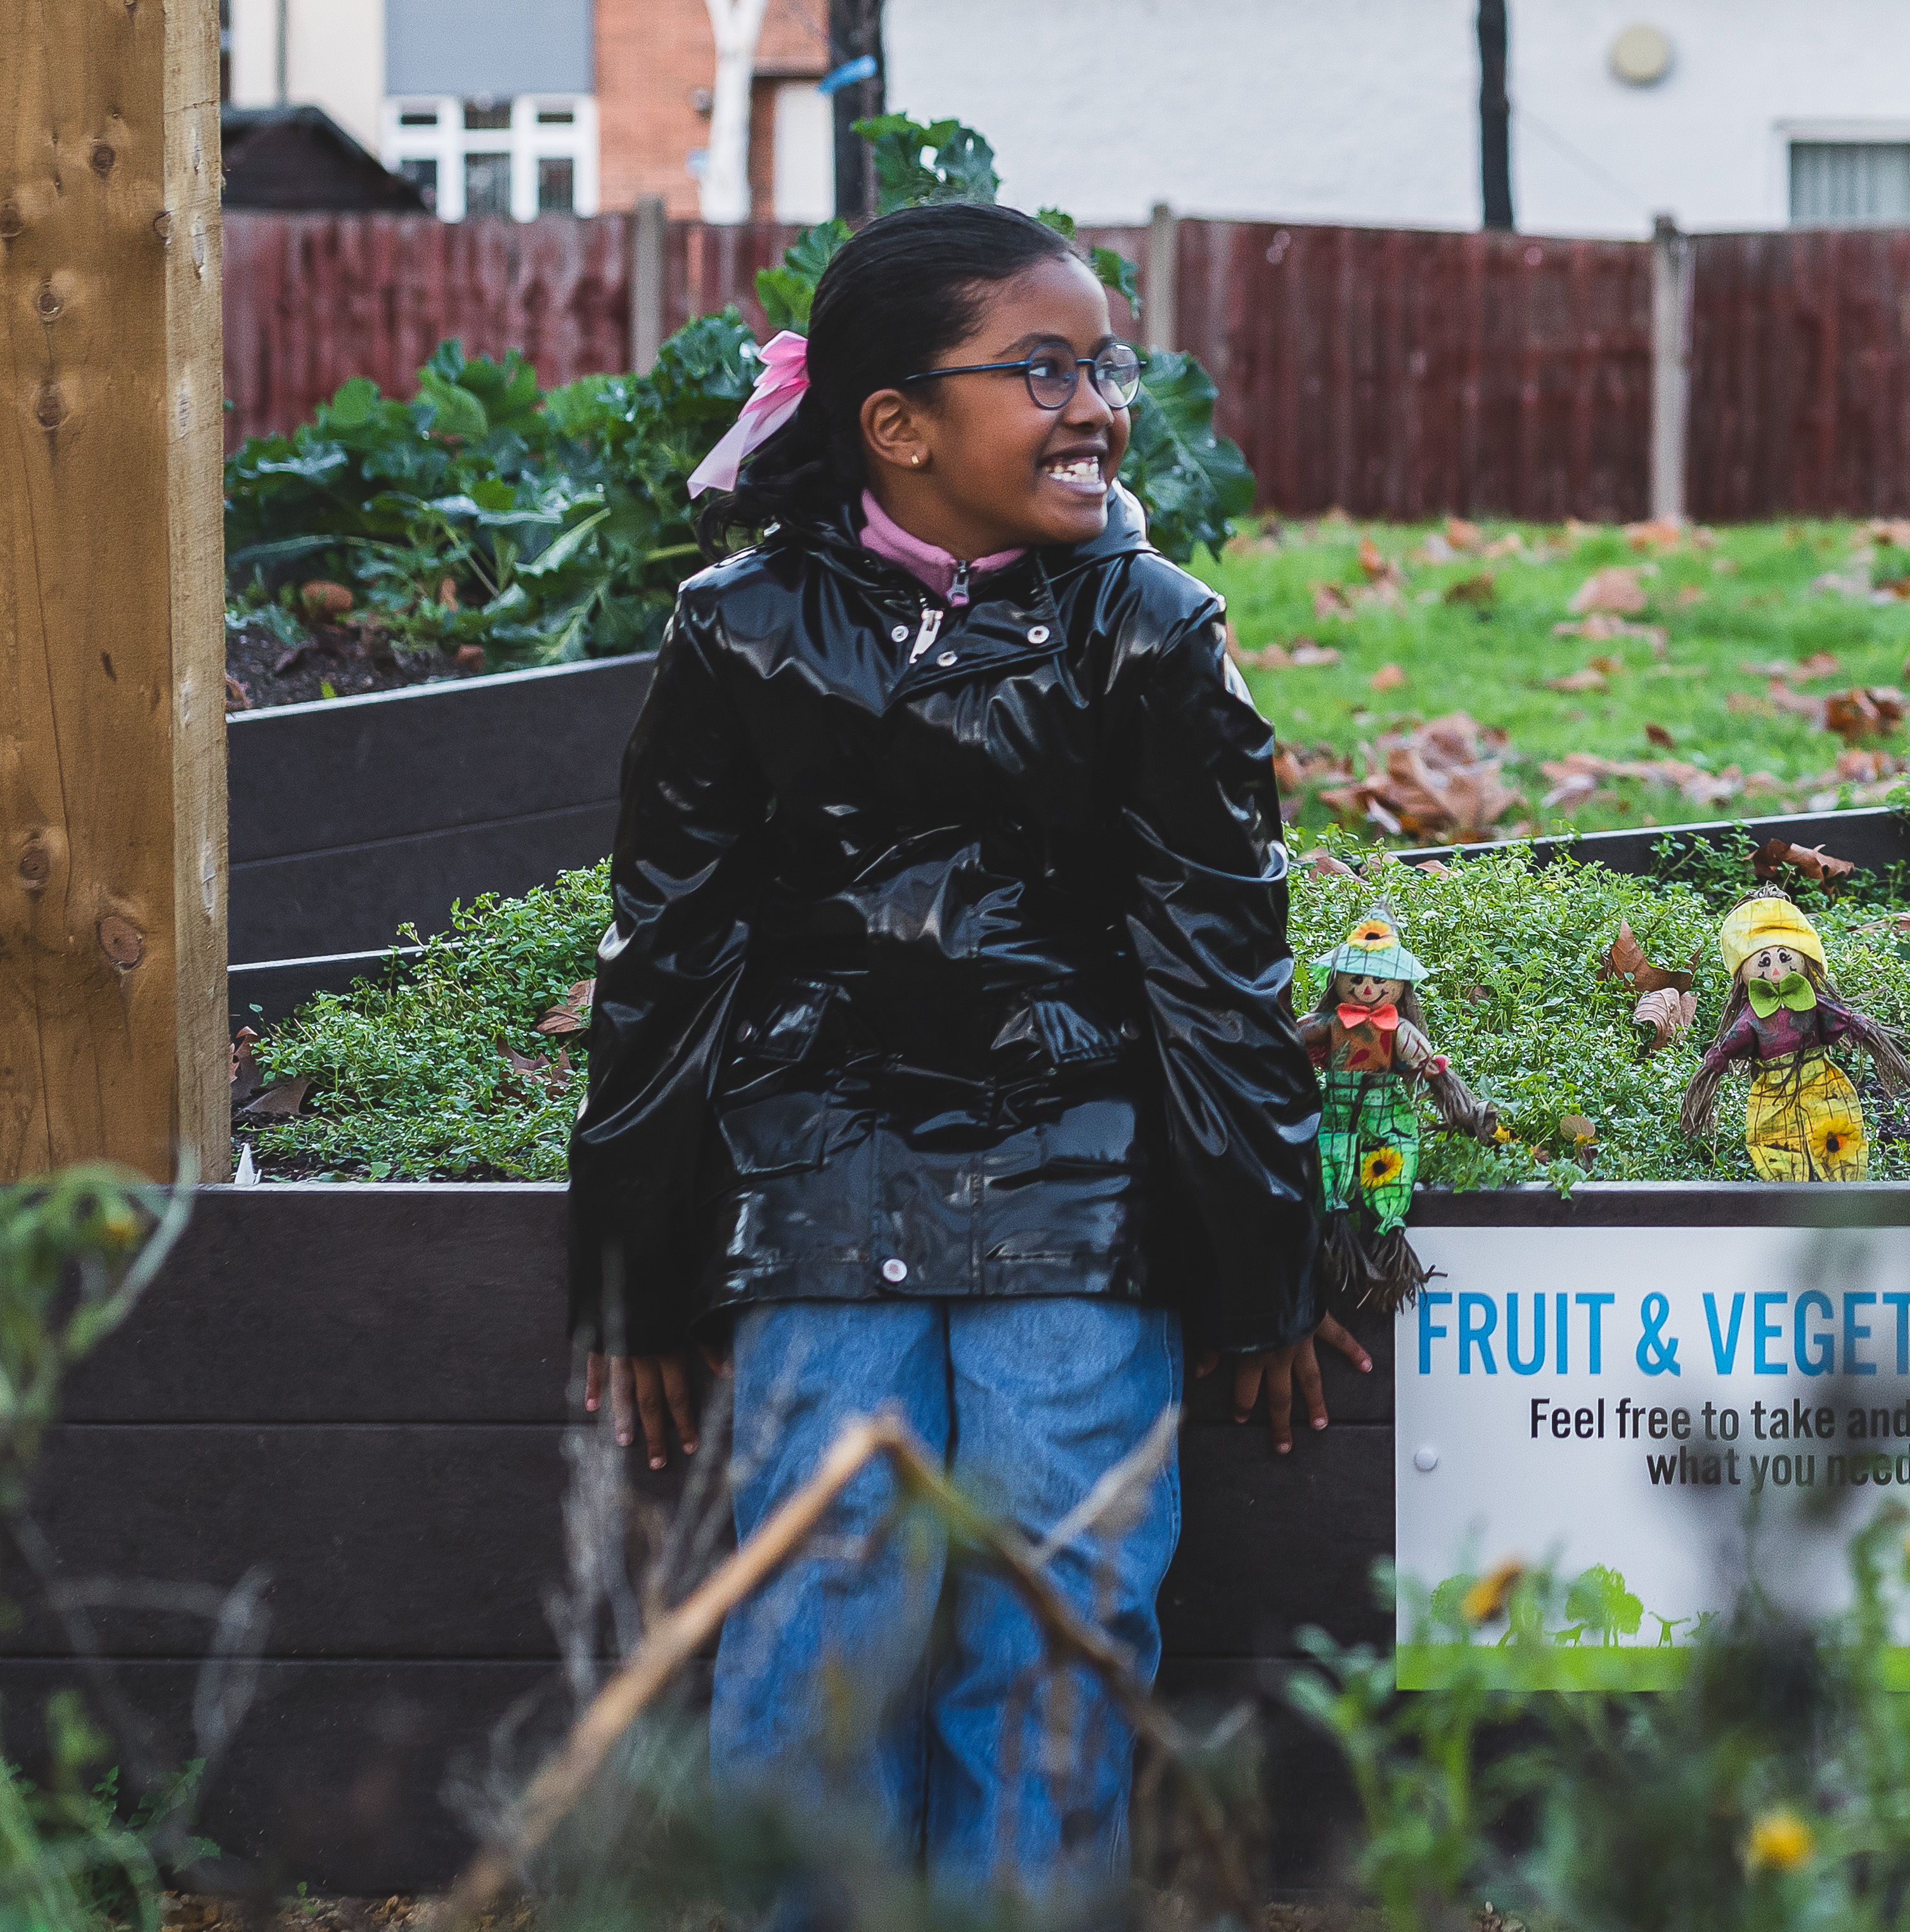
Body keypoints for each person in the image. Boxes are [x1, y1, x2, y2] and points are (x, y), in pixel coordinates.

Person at [565, 200, 1344, 1888]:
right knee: (818, 1621)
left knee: (1061, 1612)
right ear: (898, 425)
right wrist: (633, 1274)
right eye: (1041, 368)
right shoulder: (741, 625)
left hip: (1080, 1180)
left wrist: (1266, 1262)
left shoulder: (1148, 628)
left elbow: (1217, 959)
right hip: (816, 1183)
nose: (1096, 406)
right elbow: (668, 956)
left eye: (1103, 366)